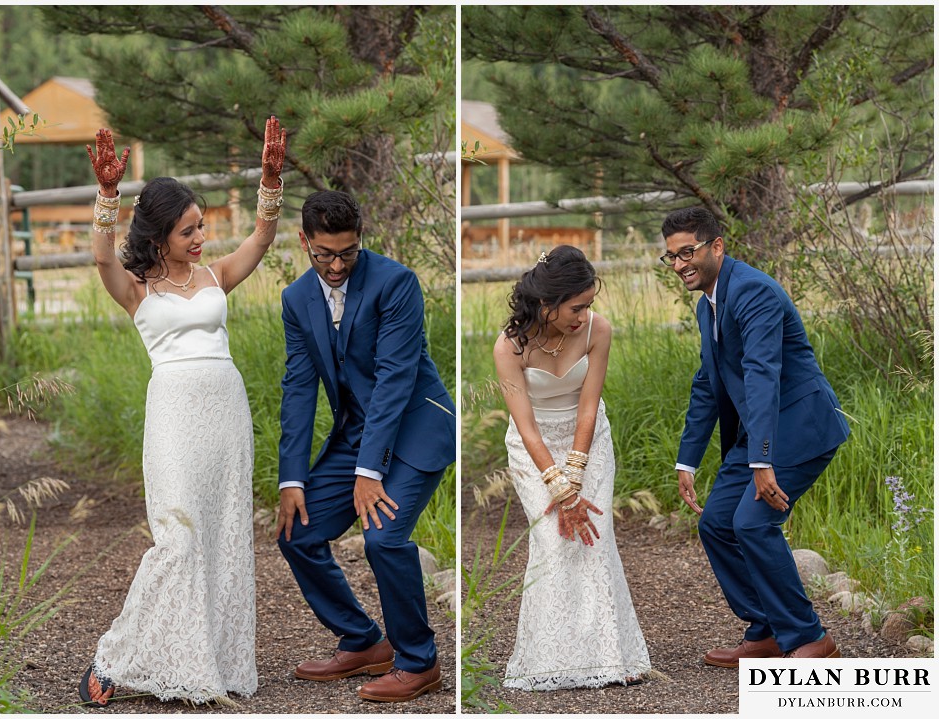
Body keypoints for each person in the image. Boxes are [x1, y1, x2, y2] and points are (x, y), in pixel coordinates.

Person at [77, 117, 287, 707]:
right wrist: (108, 196)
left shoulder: (215, 275)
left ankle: (206, 662)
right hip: (172, 413)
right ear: (159, 236)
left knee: (221, 534)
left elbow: (262, 240)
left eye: (202, 226)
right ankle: (114, 655)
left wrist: (270, 180)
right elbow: (100, 260)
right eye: (188, 230)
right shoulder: (137, 288)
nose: (200, 237)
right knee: (176, 539)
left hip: (225, 411)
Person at [275, 190, 455, 703]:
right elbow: (299, 389)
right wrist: (293, 479)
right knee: (297, 532)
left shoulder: (396, 283)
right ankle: (363, 641)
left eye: (348, 253)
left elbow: (397, 378)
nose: (336, 265)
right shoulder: (295, 299)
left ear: (361, 241)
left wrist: (368, 471)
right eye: (325, 254)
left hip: (417, 429)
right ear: (305, 241)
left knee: (383, 538)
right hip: (359, 434)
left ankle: (419, 661)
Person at [662, 206, 850, 666]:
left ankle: (810, 637)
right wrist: (687, 461)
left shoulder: (754, 292)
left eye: (688, 252)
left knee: (752, 522)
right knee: (718, 524)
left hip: (799, 428)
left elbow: (763, 372)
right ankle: (766, 630)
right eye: (670, 257)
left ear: (716, 246)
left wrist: (762, 460)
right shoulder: (708, 305)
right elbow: (708, 382)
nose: (680, 264)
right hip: (759, 434)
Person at [493, 245, 651, 691]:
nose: (584, 315)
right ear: (547, 304)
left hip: (589, 441)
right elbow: (525, 428)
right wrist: (559, 489)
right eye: (576, 307)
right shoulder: (510, 347)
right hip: (534, 450)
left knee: (595, 542)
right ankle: (548, 661)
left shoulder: (598, 330)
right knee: (552, 542)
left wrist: (577, 477)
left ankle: (612, 657)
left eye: (588, 305)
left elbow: (588, 407)